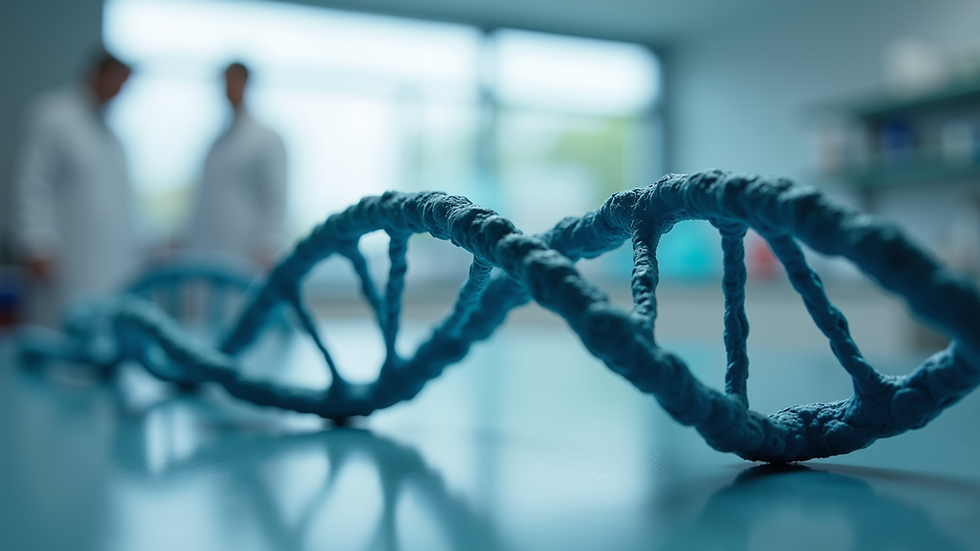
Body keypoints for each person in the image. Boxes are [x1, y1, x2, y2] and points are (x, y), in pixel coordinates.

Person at [12, 51, 140, 325]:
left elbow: (119, 204)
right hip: (60, 258)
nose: (118, 92)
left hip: (106, 259)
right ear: (96, 75)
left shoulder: (112, 137)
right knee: (55, 326)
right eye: (116, 83)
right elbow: (33, 184)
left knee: (98, 327)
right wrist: (37, 241)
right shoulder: (53, 116)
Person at [181, 62, 288, 266]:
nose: (228, 88)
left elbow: (275, 199)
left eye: (233, 81)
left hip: (247, 253)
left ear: (246, 83)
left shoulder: (266, 139)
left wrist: (269, 244)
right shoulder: (216, 145)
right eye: (225, 82)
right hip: (205, 247)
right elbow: (202, 201)